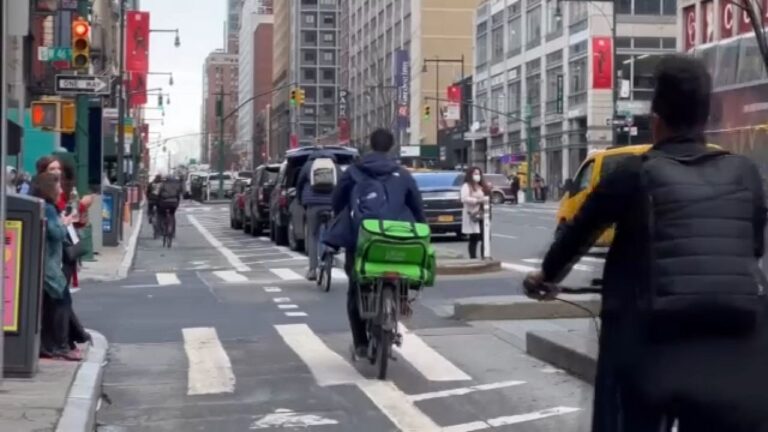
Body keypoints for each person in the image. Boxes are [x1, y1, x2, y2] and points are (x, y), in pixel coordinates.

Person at [524, 55, 768, 431]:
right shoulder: (746, 174)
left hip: (646, 347)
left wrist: (543, 277)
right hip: (731, 347)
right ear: (707, 119)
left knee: (620, 409)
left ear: (656, 120)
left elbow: (576, 235)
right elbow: (753, 248)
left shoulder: (633, 173)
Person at [327, 128, 426, 357]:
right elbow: (417, 207)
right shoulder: (402, 174)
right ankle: (400, 301)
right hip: (397, 239)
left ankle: (361, 343)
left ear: (370, 145)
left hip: (362, 239)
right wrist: (423, 228)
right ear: (391, 147)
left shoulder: (353, 172)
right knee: (403, 273)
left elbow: (337, 200)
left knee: (355, 288)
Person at [34, 173, 80, 361]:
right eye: (58, 186)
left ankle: (49, 345)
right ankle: (61, 346)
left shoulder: (41, 204)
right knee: (63, 303)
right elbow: (55, 233)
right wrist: (65, 223)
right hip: (51, 267)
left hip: (45, 265)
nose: (61, 189)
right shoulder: (50, 209)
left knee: (50, 307)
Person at [296, 152, 339, 281]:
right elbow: (343, 184)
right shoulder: (335, 166)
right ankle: (329, 256)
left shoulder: (308, 165)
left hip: (313, 204)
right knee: (331, 232)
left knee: (313, 235)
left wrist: (300, 200)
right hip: (331, 203)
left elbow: (299, 184)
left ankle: (312, 270)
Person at [461, 167, 490, 259]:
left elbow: (488, 197)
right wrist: (477, 201)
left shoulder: (481, 186)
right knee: (474, 237)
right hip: (472, 214)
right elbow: (464, 198)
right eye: (475, 174)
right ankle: (473, 257)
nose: (477, 176)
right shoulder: (466, 186)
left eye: (479, 174)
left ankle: (485, 255)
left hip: (482, 214)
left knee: (485, 236)